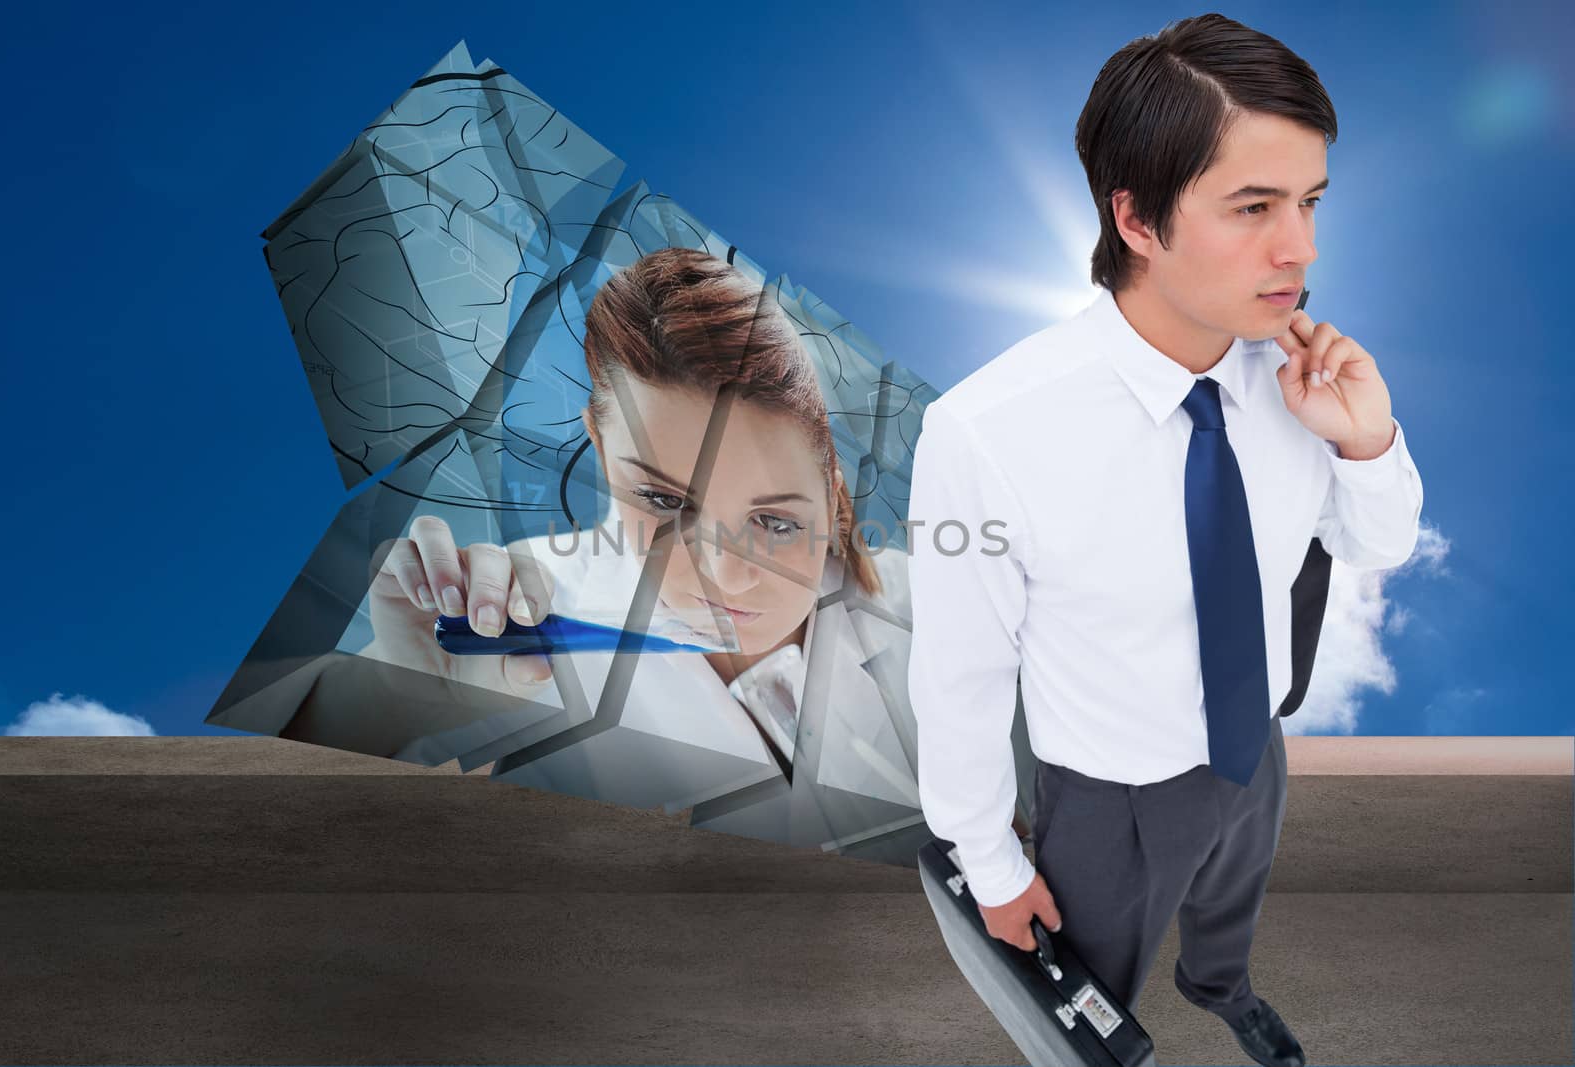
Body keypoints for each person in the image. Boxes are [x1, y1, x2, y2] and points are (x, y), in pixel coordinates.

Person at [904, 14, 1423, 1067]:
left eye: (1310, 202)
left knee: (1232, 897)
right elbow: (958, 674)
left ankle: (1219, 981)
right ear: (1136, 218)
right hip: (1116, 794)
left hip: (1254, 747)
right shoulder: (988, 427)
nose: (1302, 248)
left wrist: (1366, 441)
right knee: (1095, 996)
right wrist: (990, 861)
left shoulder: (1294, 380)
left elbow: (1376, 549)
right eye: (1253, 208)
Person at [279, 247, 1033, 864]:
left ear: (832, 485)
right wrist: (394, 692)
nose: (724, 576)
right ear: (600, 445)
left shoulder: (943, 608)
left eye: (773, 522)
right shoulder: (516, 620)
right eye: (666, 504)